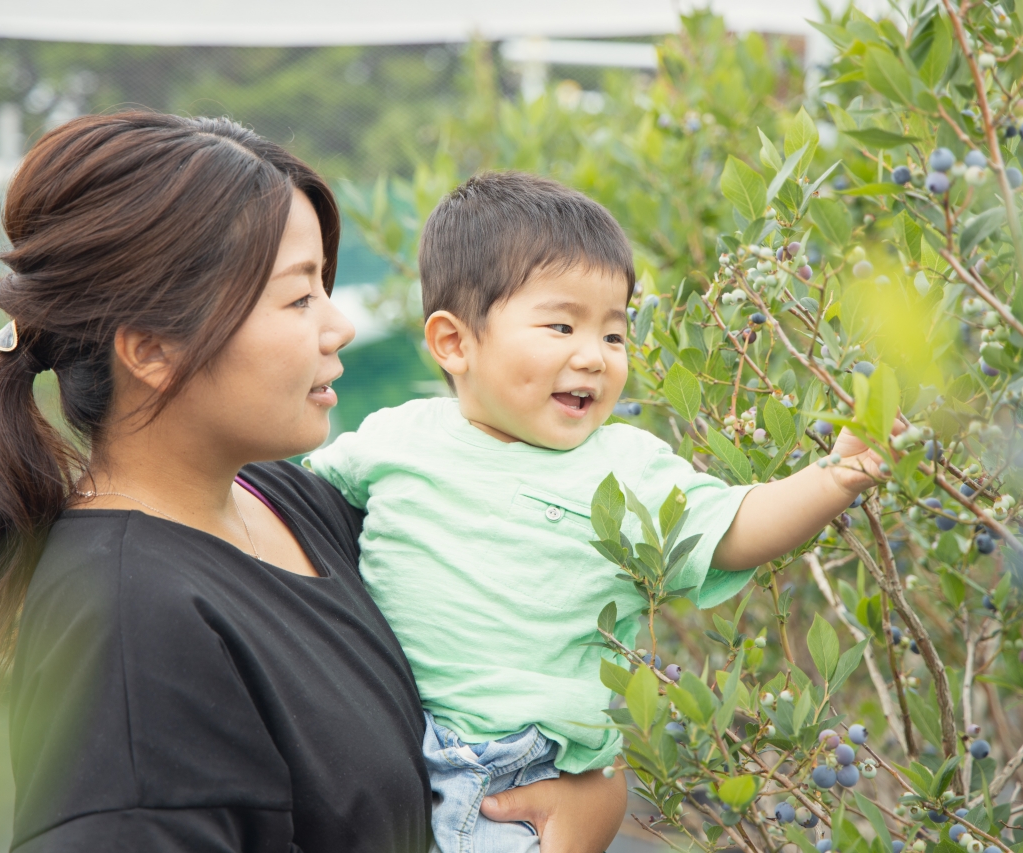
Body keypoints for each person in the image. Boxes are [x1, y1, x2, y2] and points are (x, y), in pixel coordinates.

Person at [0, 115, 626, 853]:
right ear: (152, 348)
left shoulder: (296, 504)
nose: (338, 325)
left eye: (325, 286)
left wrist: (592, 785)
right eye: (298, 297)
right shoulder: (131, 622)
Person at [309, 171, 889, 853]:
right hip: (386, 743)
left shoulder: (623, 468)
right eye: (561, 325)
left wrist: (838, 475)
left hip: (513, 774)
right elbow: (283, 511)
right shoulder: (394, 437)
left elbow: (735, 527)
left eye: (614, 335)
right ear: (454, 343)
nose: (594, 357)